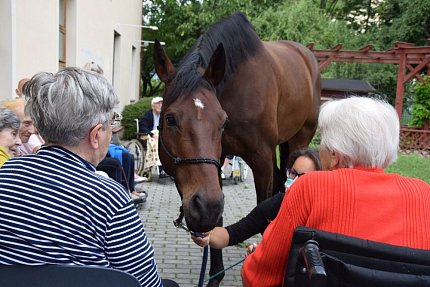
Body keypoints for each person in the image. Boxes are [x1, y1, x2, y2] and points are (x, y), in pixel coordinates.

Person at [0, 67, 179, 287]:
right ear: (95, 135)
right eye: (110, 123)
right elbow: (147, 283)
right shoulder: (110, 198)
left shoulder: (6, 173)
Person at [241, 97, 430, 286]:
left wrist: (250, 262)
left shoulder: (310, 186)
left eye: (322, 142)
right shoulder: (423, 194)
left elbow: (259, 277)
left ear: (334, 155)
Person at [192, 148, 321, 249]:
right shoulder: (275, 204)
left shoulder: (321, 213)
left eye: (304, 177)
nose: (295, 180)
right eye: (293, 173)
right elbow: (234, 233)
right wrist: (208, 236)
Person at [139, 96, 168, 177]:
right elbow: (143, 127)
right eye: (158, 104)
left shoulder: (163, 116)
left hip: (159, 136)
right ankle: (161, 169)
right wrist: (151, 134)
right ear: (153, 106)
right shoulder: (148, 114)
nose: (160, 105)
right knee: (157, 143)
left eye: (161, 103)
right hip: (148, 136)